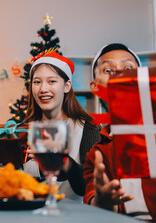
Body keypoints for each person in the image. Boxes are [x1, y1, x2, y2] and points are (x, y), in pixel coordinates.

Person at [83, 43, 156, 223]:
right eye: (108, 70)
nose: (119, 74)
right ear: (96, 87)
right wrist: (103, 202)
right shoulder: (97, 155)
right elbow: (95, 198)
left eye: (128, 67)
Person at [23, 50, 101, 200]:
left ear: (67, 86)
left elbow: (89, 186)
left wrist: (64, 162)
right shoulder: (22, 131)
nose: (43, 89)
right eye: (37, 82)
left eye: (52, 81)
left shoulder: (89, 129)